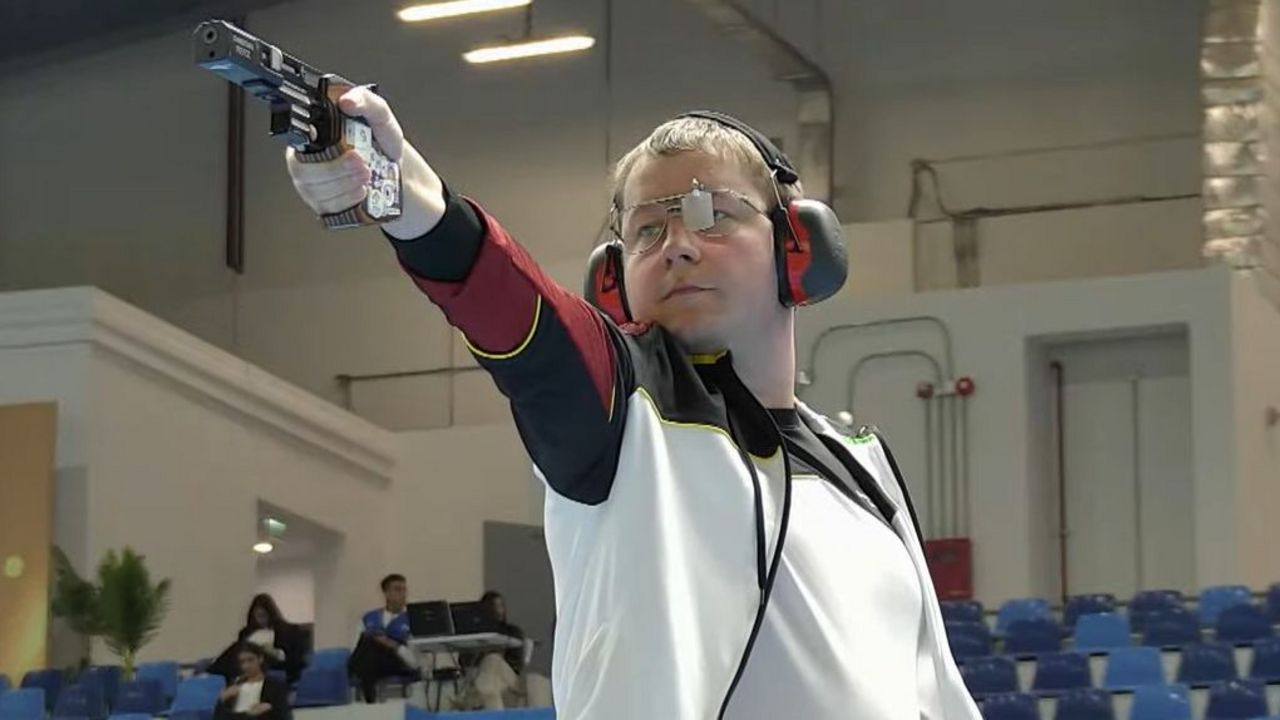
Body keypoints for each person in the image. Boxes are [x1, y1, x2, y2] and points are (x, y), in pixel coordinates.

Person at [285, 89, 981, 719]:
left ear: (797, 247)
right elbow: (525, 322)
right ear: (614, 279)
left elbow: (932, 690)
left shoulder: (865, 462)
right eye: (647, 230)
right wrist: (412, 203)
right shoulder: (624, 415)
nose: (677, 245)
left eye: (713, 215)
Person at [347, 573, 418, 703]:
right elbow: (355, 649)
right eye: (397, 589)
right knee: (368, 647)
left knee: (368, 646)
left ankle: (370, 701)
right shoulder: (368, 618)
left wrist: (393, 645)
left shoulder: (413, 619)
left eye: (404, 590)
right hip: (370, 661)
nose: (403, 594)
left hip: (397, 662)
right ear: (386, 593)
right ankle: (370, 699)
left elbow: (414, 659)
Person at [209, 594, 304, 685]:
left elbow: (294, 658)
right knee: (238, 648)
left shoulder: (286, 631)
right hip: (246, 660)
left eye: (263, 615)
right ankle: (214, 673)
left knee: (239, 648)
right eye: (257, 616)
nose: (261, 620)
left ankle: (211, 671)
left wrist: (272, 651)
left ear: (271, 614)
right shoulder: (247, 633)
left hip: (271, 661)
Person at [214, 643, 291, 720]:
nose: (246, 666)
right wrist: (222, 699)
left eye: (250, 660)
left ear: (260, 659)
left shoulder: (275, 685)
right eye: (242, 662)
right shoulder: (233, 687)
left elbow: (283, 716)